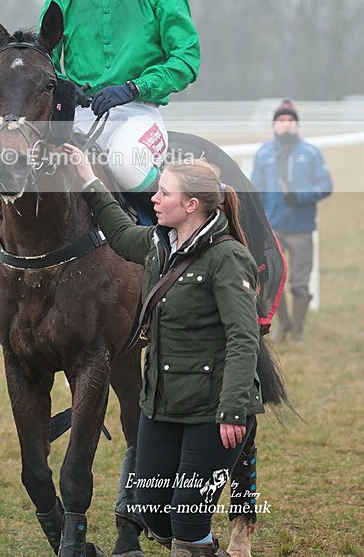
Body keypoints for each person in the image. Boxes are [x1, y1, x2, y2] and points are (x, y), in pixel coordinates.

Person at [64, 143, 263, 557]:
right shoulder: (159, 245)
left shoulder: (228, 258)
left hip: (213, 411)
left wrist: (232, 410)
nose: (153, 198)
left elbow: (244, 338)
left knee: (188, 524)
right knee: (151, 512)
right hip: (161, 404)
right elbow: (118, 232)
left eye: (164, 193)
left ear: (191, 205)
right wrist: (88, 177)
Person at [39, 0, 200, 223]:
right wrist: (67, 88)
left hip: (138, 113)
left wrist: (133, 88)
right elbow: (44, 63)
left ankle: (178, 231)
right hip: (80, 114)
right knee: (27, 163)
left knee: (125, 163)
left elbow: (186, 59)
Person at [251, 99, 333, 343]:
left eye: (290, 121)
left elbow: (326, 186)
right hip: (273, 229)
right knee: (271, 281)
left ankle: (298, 331)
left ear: (296, 124)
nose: (286, 125)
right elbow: (255, 191)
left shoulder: (311, 153)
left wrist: (299, 196)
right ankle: (283, 326)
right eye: (281, 121)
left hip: (302, 228)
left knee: (299, 282)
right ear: (274, 125)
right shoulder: (264, 153)